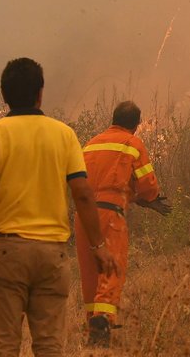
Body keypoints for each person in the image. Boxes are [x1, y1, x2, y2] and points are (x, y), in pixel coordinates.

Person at [0, 57, 117, 357]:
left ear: (4, 95)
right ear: (40, 93)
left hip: (7, 252)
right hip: (52, 254)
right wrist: (98, 245)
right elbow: (83, 194)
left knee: (5, 346)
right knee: (49, 346)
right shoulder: (64, 135)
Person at [75, 100, 169, 348]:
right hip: (109, 214)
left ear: (113, 118)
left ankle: (92, 325)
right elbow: (147, 184)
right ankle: (103, 321)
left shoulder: (91, 143)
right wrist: (149, 199)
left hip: (82, 215)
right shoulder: (132, 143)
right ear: (137, 125)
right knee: (111, 267)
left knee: (89, 270)